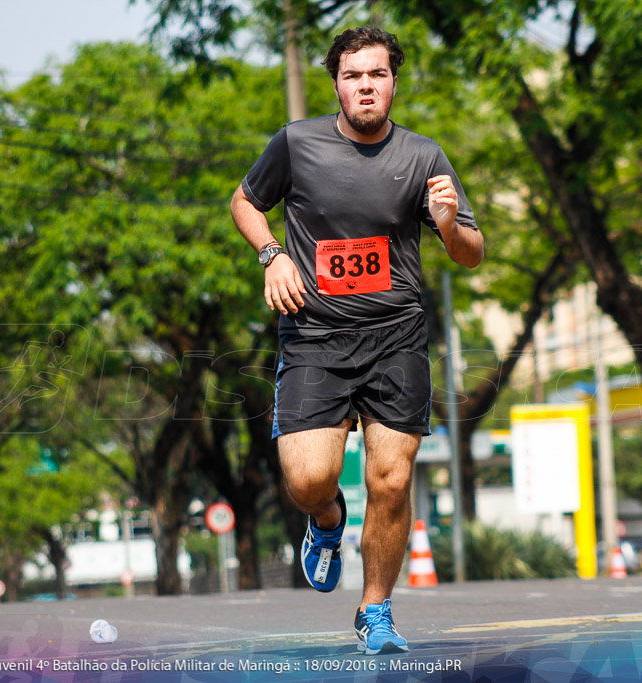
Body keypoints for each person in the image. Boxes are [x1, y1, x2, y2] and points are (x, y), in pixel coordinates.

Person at [230, 26, 483, 655]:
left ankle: (376, 609)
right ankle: (326, 520)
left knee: (392, 481)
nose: (365, 86)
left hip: (397, 335)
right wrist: (272, 256)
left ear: (393, 81)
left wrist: (449, 225)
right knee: (308, 478)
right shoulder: (296, 144)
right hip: (315, 335)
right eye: (352, 76)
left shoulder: (425, 157)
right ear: (336, 84)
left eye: (376, 74)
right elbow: (244, 200)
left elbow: (472, 256)